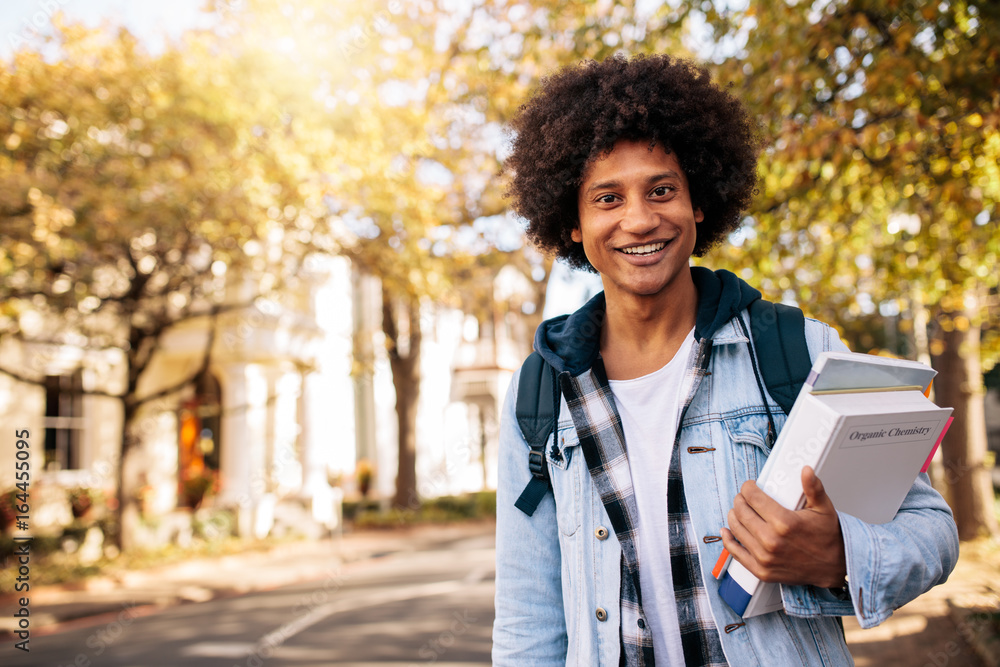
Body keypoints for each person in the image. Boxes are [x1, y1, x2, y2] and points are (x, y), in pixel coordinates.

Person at [491, 54, 959, 666]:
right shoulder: (541, 393)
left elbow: (932, 530)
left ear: (699, 202)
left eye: (662, 189)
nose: (640, 218)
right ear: (573, 224)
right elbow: (529, 619)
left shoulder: (799, 352)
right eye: (607, 198)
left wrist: (842, 554)